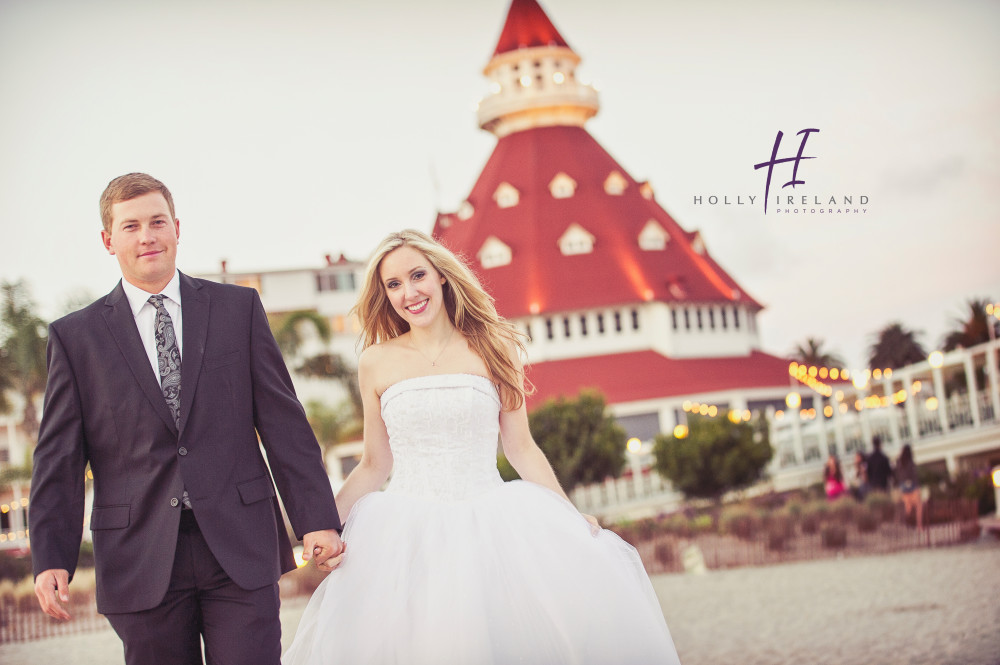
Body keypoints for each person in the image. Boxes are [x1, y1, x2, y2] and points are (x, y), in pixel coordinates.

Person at [282, 230, 681, 664]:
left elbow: (521, 448)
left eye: (418, 276)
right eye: (393, 284)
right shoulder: (375, 361)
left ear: (443, 278)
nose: (409, 293)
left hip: (493, 526)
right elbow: (375, 464)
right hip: (404, 537)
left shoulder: (495, 347)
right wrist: (322, 525)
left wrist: (567, 514)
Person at [30, 173, 344, 665]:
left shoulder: (237, 309)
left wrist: (317, 519)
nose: (147, 236)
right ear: (108, 240)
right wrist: (51, 556)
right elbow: (59, 459)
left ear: (177, 228)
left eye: (157, 222)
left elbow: (283, 422)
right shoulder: (76, 337)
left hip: (239, 546)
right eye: (131, 226)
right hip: (140, 556)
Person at [895, 443, 923, 530]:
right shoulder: (910, 462)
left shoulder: (899, 462)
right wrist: (918, 487)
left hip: (903, 486)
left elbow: (898, 475)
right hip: (912, 485)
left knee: (908, 507)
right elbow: (914, 475)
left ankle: (907, 524)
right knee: (918, 507)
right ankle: (919, 526)